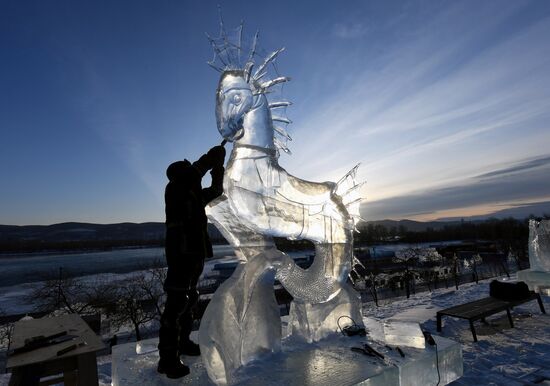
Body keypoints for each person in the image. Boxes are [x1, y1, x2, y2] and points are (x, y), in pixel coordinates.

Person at [157, 144, 226, 379]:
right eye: (187, 169)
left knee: (190, 297)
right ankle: (167, 359)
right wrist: (210, 157)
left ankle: (183, 342)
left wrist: (218, 167)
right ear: (179, 174)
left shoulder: (193, 194)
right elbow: (193, 173)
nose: (191, 171)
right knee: (176, 302)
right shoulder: (174, 188)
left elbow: (216, 190)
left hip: (194, 251)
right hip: (180, 251)